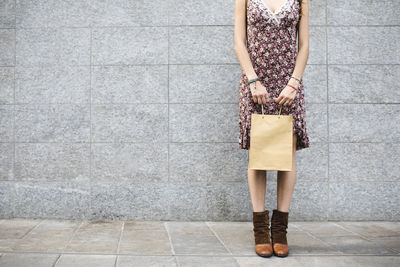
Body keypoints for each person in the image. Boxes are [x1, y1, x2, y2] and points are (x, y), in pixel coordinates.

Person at [234, 0, 310, 258]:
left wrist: (294, 83)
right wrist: (253, 80)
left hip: (289, 84)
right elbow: (239, 42)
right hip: (255, 84)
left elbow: (304, 45)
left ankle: (280, 230)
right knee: (258, 156)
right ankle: (260, 231)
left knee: (286, 157)